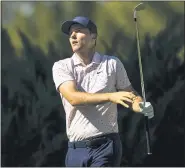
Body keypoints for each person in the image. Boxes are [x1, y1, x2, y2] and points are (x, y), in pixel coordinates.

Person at [52, 16, 154, 167]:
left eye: (78, 31)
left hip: (106, 147)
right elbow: (73, 98)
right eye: (70, 33)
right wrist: (111, 96)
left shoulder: (112, 64)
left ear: (93, 36)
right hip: (75, 149)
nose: (72, 36)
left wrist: (141, 105)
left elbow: (130, 94)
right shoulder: (62, 66)